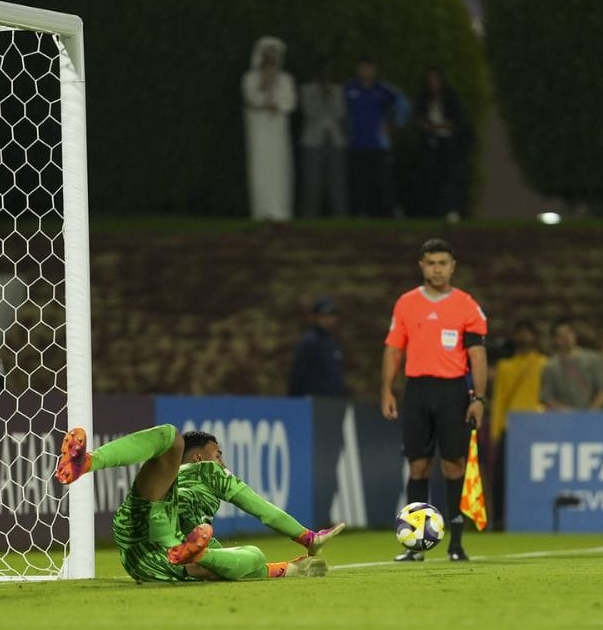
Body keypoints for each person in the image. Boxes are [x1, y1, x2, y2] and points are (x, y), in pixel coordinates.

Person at [56, 424, 344, 582]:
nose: (222, 462)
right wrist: (308, 538)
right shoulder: (210, 472)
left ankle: (89, 462)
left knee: (169, 435)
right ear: (199, 457)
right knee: (252, 557)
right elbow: (264, 511)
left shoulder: (167, 476)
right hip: (169, 543)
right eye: (218, 454)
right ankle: (196, 557)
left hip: (139, 556)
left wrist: (291, 567)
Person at [381, 238, 487, 562]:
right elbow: (394, 349)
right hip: (417, 390)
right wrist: (387, 389)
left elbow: (478, 355)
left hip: (453, 391)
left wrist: (479, 398)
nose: (437, 269)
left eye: (443, 263)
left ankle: (456, 545)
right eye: (431, 263)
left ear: (453, 267)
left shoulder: (467, 306)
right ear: (421, 266)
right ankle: (415, 546)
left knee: (454, 464)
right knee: (418, 465)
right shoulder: (406, 303)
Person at [487, 320, 545, 529]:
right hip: (510, 426)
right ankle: (499, 519)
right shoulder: (505, 367)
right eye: (520, 333)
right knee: (501, 475)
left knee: (535, 474)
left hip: (537, 427)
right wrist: (495, 431)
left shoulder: (544, 364)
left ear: (535, 337)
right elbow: (499, 400)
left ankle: (535, 516)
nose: (524, 338)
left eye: (527, 333)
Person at [345, 56, 409, 217]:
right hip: (357, 143)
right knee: (360, 182)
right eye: (362, 68)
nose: (365, 72)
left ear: (374, 70)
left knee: (384, 181)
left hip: (379, 145)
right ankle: (362, 213)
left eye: (369, 68)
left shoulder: (384, 89)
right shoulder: (350, 88)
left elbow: (404, 104)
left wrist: (394, 125)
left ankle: (389, 213)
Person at [242, 36, 296, 221]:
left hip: (278, 132)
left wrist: (277, 105)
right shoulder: (250, 78)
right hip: (259, 131)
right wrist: (265, 82)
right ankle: (261, 211)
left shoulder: (286, 79)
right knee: (260, 169)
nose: (270, 59)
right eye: (267, 54)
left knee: (279, 169)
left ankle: (280, 211)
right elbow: (251, 98)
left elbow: (290, 102)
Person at [413, 68, 469, 221]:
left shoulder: (450, 98)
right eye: (431, 81)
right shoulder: (423, 99)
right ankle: (431, 212)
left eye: (436, 81)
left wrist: (441, 126)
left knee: (450, 178)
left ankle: (451, 210)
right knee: (430, 178)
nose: (434, 85)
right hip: (429, 145)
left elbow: (457, 121)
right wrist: (429, 127)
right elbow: (419, 119)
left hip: (448, 144)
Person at [298, 61, 348, 218]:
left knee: (338, 183)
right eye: (323, 72)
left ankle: (340, 217)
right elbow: (309, 112)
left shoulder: (338, 90)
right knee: (311, 182)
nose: (326, 75)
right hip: (312, 141)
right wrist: (321, 95)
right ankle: (309, 217)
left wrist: (330, 95)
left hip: (335, 141)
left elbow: (340, 113)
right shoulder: (306, 89)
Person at [540, 319, 603, 411]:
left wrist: (592, 411)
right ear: (555, 339)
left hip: (592, 414)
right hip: (563, 416)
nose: (566, 338)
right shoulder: (550, 366)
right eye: (561, 335)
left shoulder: (593, 359)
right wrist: (565, 411)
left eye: (569, 333)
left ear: (574, 334)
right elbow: (547, 397)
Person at [288, 296, 345, 396]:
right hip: (314, 401)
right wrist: (295, 398)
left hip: (332, 401)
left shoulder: (331, 341)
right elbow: (298, 374)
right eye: (324, 316)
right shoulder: (310, 341)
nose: (328, 320)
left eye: (331, 315)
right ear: (315, 317)